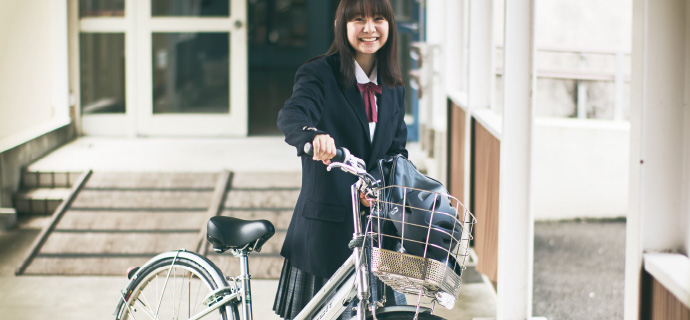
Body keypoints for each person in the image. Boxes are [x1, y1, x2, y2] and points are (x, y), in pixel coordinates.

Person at [273, 0, 408, 318]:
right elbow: (292, 114)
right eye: (358, 19)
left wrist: (381, 184)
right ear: (342, 26)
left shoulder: (393, 87)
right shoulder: (319, 72)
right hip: (326, 232)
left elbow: (396, 153)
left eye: (378, 19)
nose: (369, 28)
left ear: (389, 25)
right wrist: (312, 136)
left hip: (375, 234)